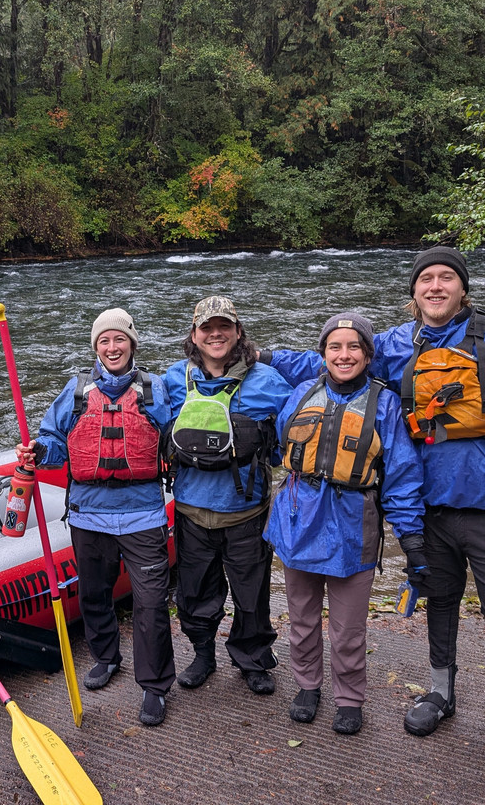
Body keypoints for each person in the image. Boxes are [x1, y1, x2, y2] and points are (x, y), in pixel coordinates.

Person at [263, 246, 485, 737]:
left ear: (462, 288)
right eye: (426, 279)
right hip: (431, 510)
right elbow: (333, 361)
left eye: (446, 278)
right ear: (414, 292)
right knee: (440, 604)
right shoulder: (394, 344)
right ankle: (442, 693)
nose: (436, 286)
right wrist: (262, 356)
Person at [263, 312, 426, 735]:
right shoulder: (301, 392)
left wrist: (412, 540)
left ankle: (349, 697)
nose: (344, 354)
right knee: (300, 617)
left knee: (349, 628)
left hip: (355, 525)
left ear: (369, 355)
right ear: (323, 355)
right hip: (299, 519)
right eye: (335, 347)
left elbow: (404, 477)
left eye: (354, 347)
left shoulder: (385, 404)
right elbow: (281, 442)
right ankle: (307, 685)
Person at [16, 308, 175, 727]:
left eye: (119, 339)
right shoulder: (76, 391)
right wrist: (38, 451)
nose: (112, 347)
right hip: (88, 515)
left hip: (142, 514)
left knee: (152, 603)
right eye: (104, 340)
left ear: (132, 344)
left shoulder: (154, 388)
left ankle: (155, 685)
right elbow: (55, 442)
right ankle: (106, 658)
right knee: (94, 596)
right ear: (95, 347)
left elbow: (174, 438)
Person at [163, 296, 294, 695]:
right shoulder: (173, 379)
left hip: (246, 513)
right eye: (207, 328)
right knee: (194, 592)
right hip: (191, 510)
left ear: (238, 332)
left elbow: (293, 437)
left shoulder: (269, 381)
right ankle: (203, 655)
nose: (215, 334)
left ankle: (251, 660)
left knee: (251, 595)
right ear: (194, 335)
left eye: (224, 327)